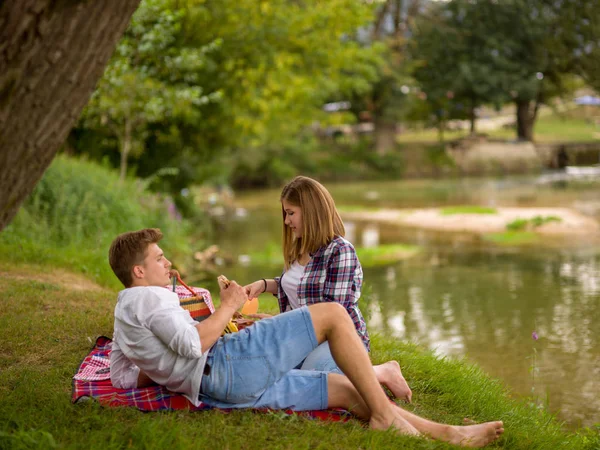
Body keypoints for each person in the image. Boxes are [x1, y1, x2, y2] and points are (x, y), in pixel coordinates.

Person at [108, 228, 504, 447]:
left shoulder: (130, 306)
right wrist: (228, 306)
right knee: (332, 314)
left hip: (218, 385)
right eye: (159, 258)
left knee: (349, 390)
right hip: (227, 368)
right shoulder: (150, 299)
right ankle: (384, 416)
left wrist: (163, 369)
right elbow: (194, 344)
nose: (168, 263)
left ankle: (448, 435)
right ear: (138, 272)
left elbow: (122, 373)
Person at [245, 176, 412, 402]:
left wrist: (280, 326)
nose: (286, 221)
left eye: (291, 213)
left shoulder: (340, 251)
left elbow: (334, 314)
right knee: (261, 368)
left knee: (313, 376)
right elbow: (299, 286)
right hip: (302, 338)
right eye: (285, 213)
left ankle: (382, 371)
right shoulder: (300, 247)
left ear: (311, 211)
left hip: (337, 342)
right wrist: (264, 285)